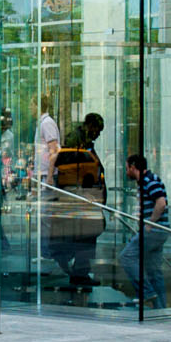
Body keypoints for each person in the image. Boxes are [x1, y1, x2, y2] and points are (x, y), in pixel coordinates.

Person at [47, 112, 107, 298]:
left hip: (84, 193)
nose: (98, 134)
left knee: (87, 232)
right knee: (86, 232)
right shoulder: (77, 141)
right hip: (79, 193)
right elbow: (71, 165)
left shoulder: (85, 142)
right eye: (97, 129)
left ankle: (78, 267)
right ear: (90, 125)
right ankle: (77, 268)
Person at [119, 150, 170, 309]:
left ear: (133, 167)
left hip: (154, 230)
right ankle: (160, 308)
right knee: (154, 271)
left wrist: (149, 224)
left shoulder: (149, 180)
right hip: (158, 231)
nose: (126, 172)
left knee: (127, 256)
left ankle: (146, 292)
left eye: (127, 168)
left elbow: (161, 203)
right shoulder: (147, 182)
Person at [33, 94, 61, 185]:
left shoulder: (47, 123)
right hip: (42, 173)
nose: (30, 108)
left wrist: (50, 175)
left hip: (46, 175)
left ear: (37, 106)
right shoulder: (41, 123)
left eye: (31, 105)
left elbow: (54, 150)